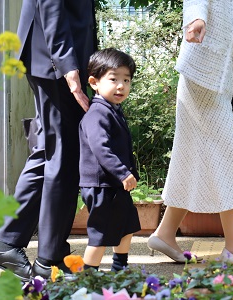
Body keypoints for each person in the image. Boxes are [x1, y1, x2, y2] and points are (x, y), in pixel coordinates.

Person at [147, 1, 233, 264]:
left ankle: (164, 234)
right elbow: (196, 4)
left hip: (211, 83)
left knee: (193, 161)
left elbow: (225, 26)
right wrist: (196, 21)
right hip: (202, 82)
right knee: (228, 158)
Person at [0, 0, 97, 280]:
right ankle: (49, 260)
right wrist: (67, 64)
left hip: (53, 55)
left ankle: (5, 243)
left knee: (49, 150)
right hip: (55, 58)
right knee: (63, 156)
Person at [78, 48, 140, 272]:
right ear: (94, 82)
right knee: (101, 234)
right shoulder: (97, 113)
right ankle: (89, 275)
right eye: (113, 79)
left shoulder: (112, 109)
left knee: (126, 226)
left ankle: (119, 268)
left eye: (126, 79)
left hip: (112, 184)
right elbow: (100, 148)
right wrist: (122, 172)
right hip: (101, 184)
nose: (121, 86)